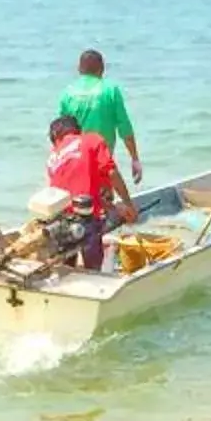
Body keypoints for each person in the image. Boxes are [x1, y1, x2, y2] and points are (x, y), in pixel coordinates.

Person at [45, 114, 135, 274]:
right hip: (86, 220)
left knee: (65, 271)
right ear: (77, 130)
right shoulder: (92, 140)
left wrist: (109, 206)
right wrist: (128, 205)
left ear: (55, 136)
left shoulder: (52, 157)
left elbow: (69, 187)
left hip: (58, 222)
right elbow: (111, 172)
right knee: (94, 272)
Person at [57, 47, 141, 185]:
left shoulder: (68, 93)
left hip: (74, 160)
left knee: (80, 201)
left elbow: (60, 132)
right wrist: (135, 159)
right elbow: (124, 128)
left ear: (79, 69)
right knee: (104, 199)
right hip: (102, 161)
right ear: (102, 69)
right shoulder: (110, 90)